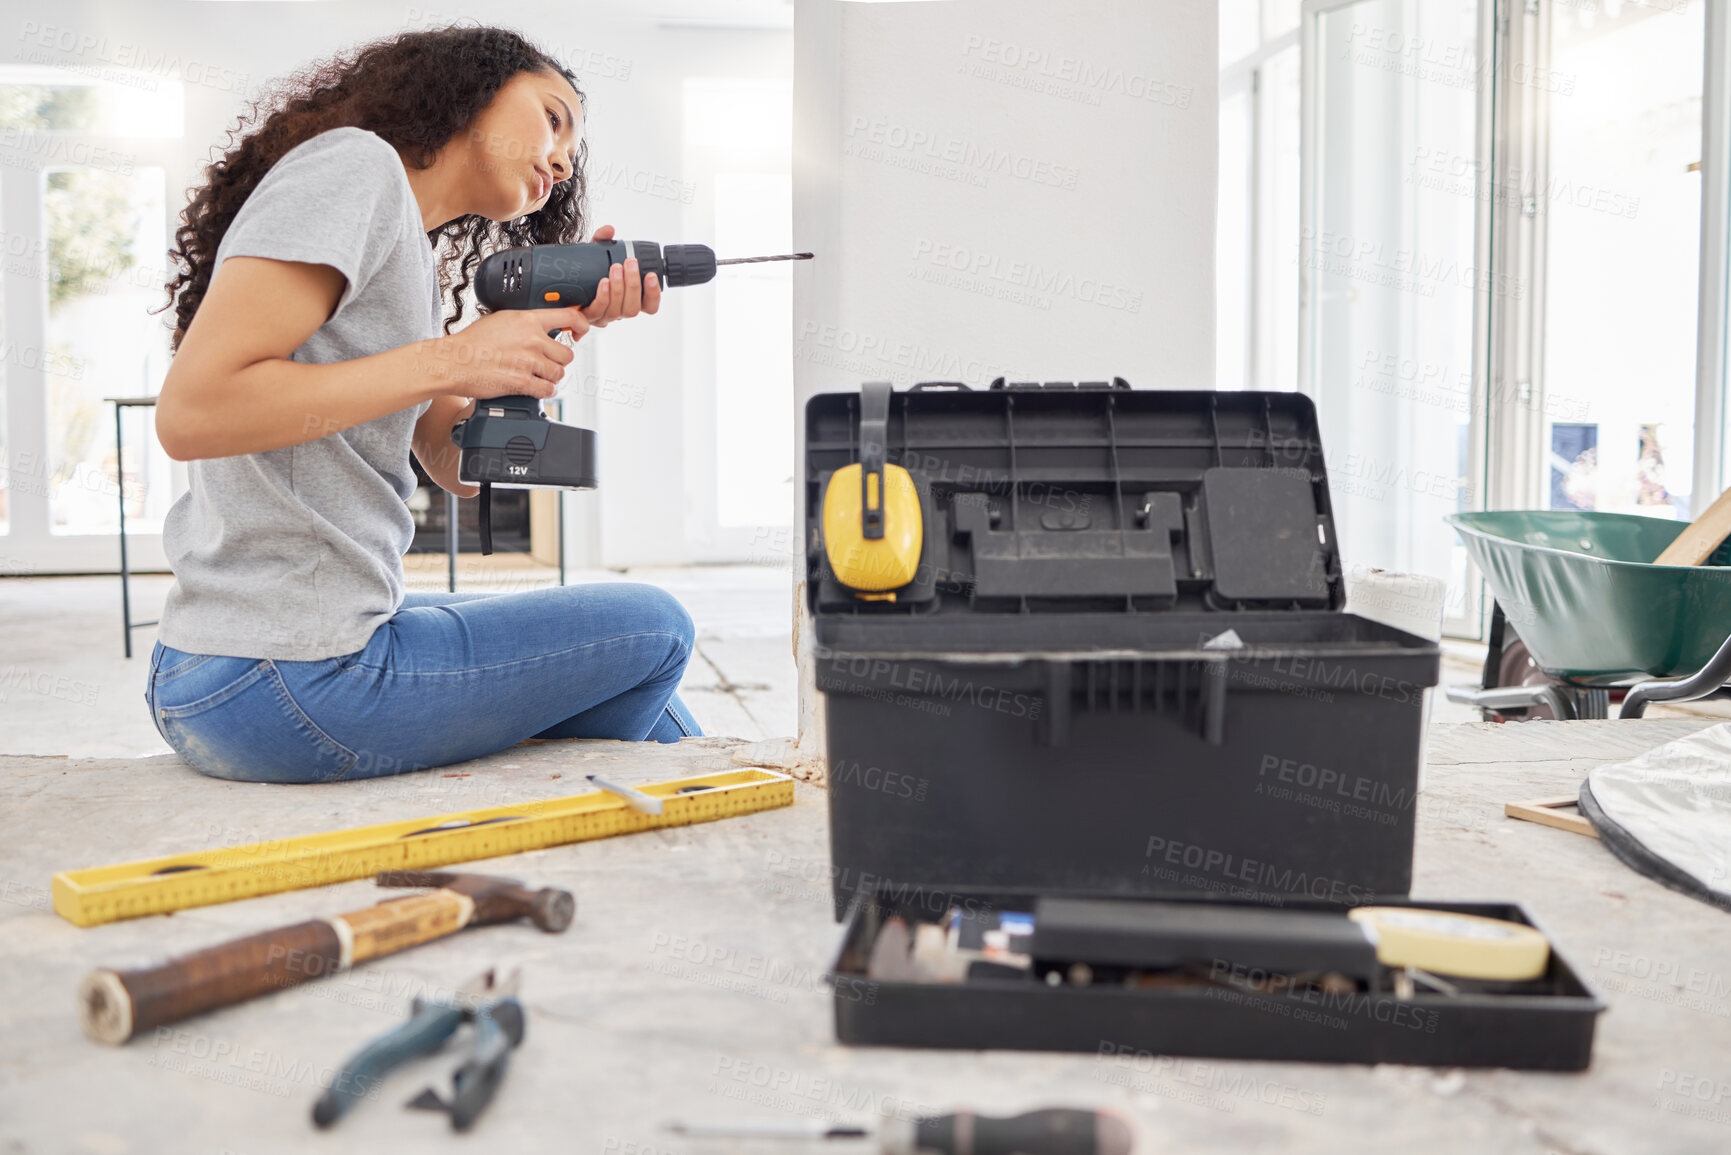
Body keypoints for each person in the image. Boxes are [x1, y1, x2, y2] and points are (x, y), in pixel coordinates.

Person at [146, 25, 701, 784]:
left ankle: (701, 791)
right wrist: (461, 353)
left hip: (247, 671)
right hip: (287, 672)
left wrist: (539, 338)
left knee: (606, 668)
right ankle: (673, 809)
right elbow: (193, 414)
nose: (566, 157)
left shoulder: (410, 250)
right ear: (471, 90)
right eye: (552, 116)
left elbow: (454, 465)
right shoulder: (355, 166)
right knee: (655, 627)